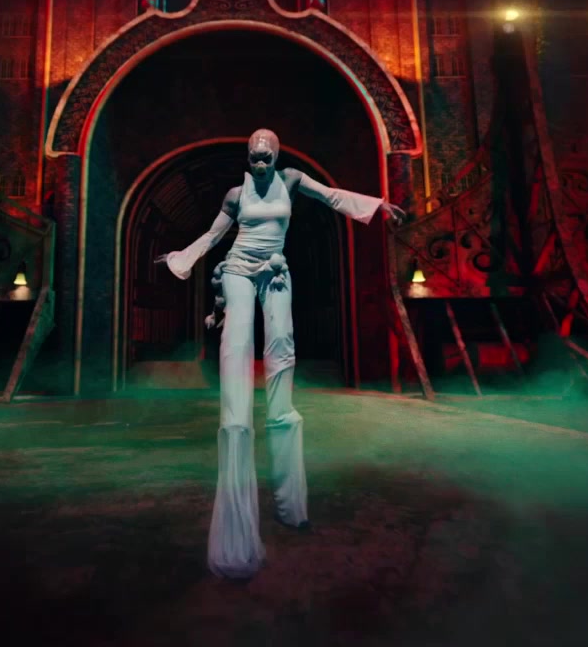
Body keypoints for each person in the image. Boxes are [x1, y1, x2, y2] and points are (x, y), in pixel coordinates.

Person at [156, 128, 405, 578]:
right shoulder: (235, 195)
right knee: (236, 358)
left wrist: (376, 205)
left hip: (276, 272)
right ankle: (236, 529)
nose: (260, 163)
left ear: (277, 155)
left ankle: (292, 506)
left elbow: (330, 196)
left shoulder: (291, 179)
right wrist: (181, 257)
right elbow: (214, 235)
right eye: (254, 157)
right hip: (238, 270)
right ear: (247, 157)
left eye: (266, 157)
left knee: (282, 362)